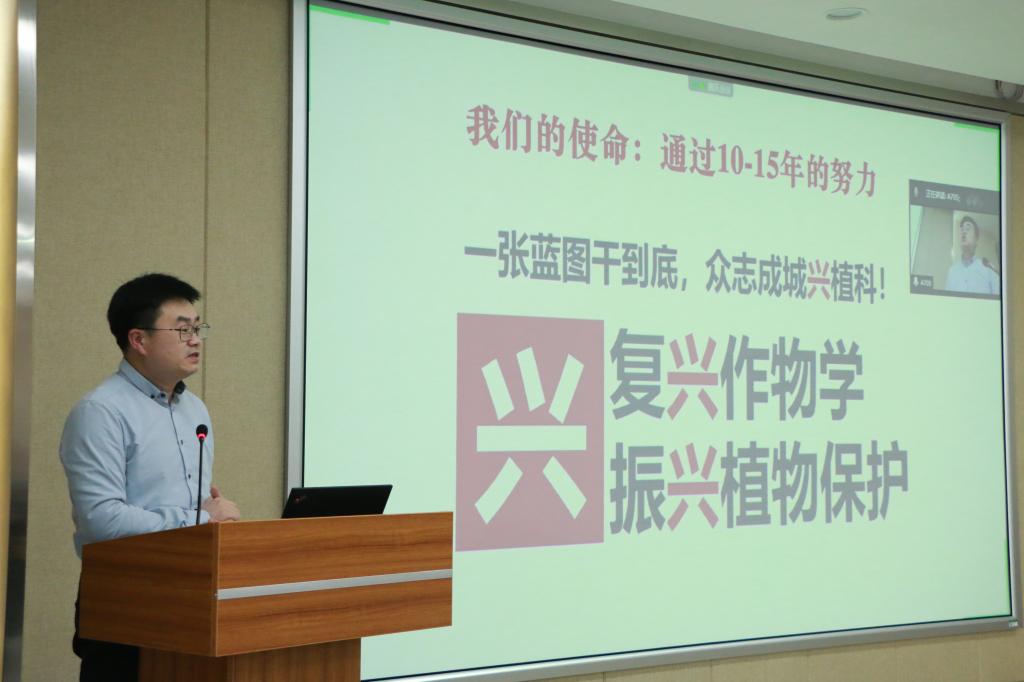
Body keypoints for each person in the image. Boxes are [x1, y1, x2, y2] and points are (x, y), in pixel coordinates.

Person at [59, 273, 241, 682]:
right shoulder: (101, 412)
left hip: (190, 593)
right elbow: (101, 520)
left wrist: (206, 513)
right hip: (125, 600)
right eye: (182, 330)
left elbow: (186, 505)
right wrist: (200, 519)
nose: (195, 340)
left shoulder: (195, 409)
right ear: (138, 340)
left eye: (198, 328)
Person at [945, 215, 999, 295]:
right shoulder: (952, 271)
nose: (964, 232)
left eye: (968, 228)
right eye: (962, 229)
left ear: (976, 239)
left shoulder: (988, 268)